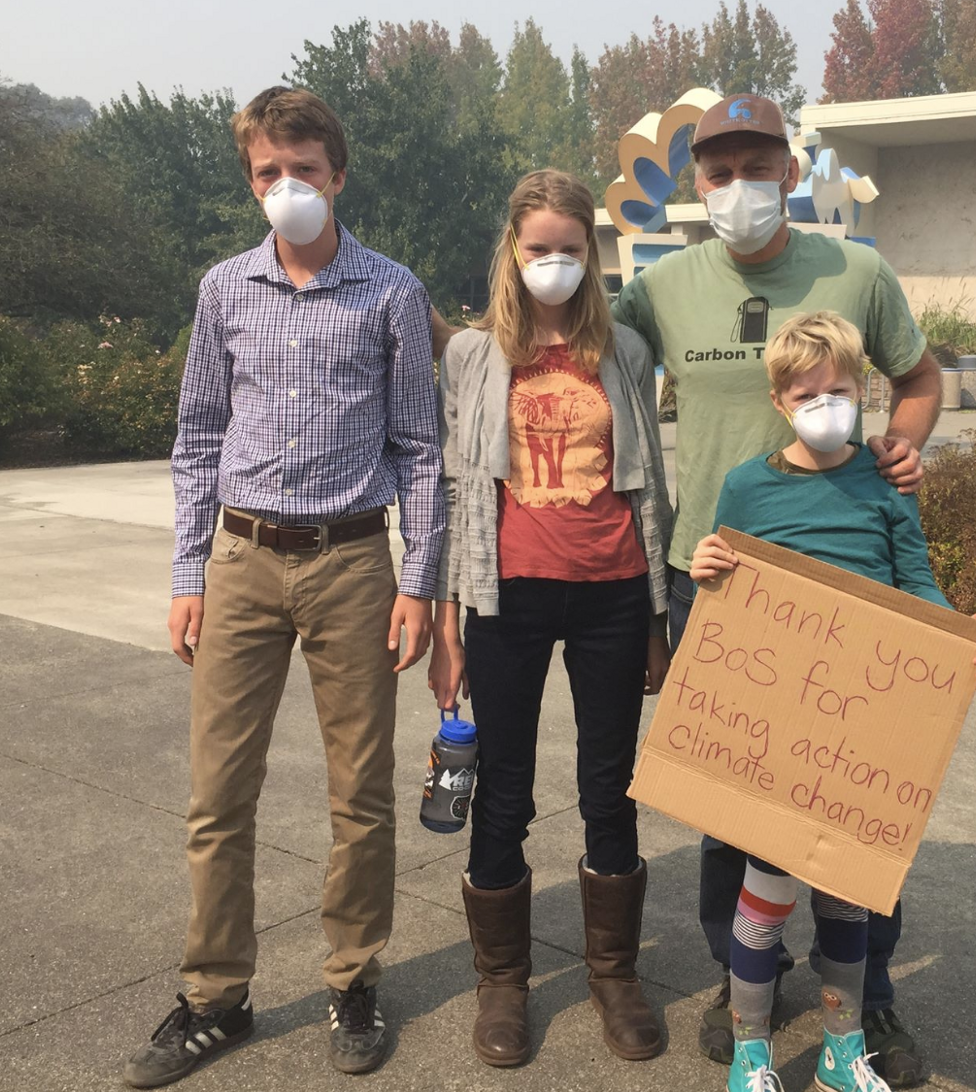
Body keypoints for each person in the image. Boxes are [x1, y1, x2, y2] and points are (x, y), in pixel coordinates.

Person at [610, 92, 947, 1086]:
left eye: (758, 166)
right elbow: (589, 354)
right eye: (718, 171)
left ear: (790, 174)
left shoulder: (858, 270)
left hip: (848, 579)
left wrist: (900, 448)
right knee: (735, 787)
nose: (738, 186)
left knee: (863, 796)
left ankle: (870, 999)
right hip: (718, 568)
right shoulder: (661, 287)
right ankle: (739, 977)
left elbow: (919, 380)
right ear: (694, 183)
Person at [121, 86, 444, 1088]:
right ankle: (216, 994)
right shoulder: (225, 289)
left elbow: (421, 447)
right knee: (218, 795)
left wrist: (418, 578)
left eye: (304, 168)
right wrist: (187, 571)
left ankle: (352, 975)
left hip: (352, 563)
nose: (287, 186)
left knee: (362, 794)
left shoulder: (390, 291)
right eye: (268, 171)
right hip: (243, 562)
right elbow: (198, 438)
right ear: (249, 179)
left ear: (337, 174)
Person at [689, 310, 976, 1092]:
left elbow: (914, 579)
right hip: (776, 728)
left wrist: (954, 641)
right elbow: (726, 600)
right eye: (806, 392)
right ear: (779, 399)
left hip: (861, 730)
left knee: (849, 900)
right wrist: (704, 568)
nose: (824, 402)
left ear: (861, 389)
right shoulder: (748, 485)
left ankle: (840, 1048)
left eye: (839, 389)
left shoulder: (885, 482)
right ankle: (752, 1053)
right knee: (762, 890)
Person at [427, 168, 674, 1068]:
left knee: (610, 788)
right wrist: (450, 628)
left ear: (593, 256)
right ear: (513, 250)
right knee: (504, 788)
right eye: (540, 249)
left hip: (612, 589)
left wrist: (654, 618)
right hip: (508, 596)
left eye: (572, 250)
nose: (555, 264)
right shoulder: (474, 355)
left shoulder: (628, 352)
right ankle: (504, 980)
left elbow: (650, 485)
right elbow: (459, 493)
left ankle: (614, 974)